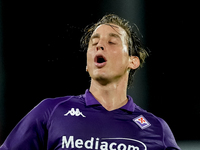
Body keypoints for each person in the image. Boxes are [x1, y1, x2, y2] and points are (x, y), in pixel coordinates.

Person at [0, 14, 180, 150]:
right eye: (94, 43)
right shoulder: (50, 112)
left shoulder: (156, 129)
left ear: (132, 61)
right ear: (88, 64)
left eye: (112, 42)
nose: (99, 46)